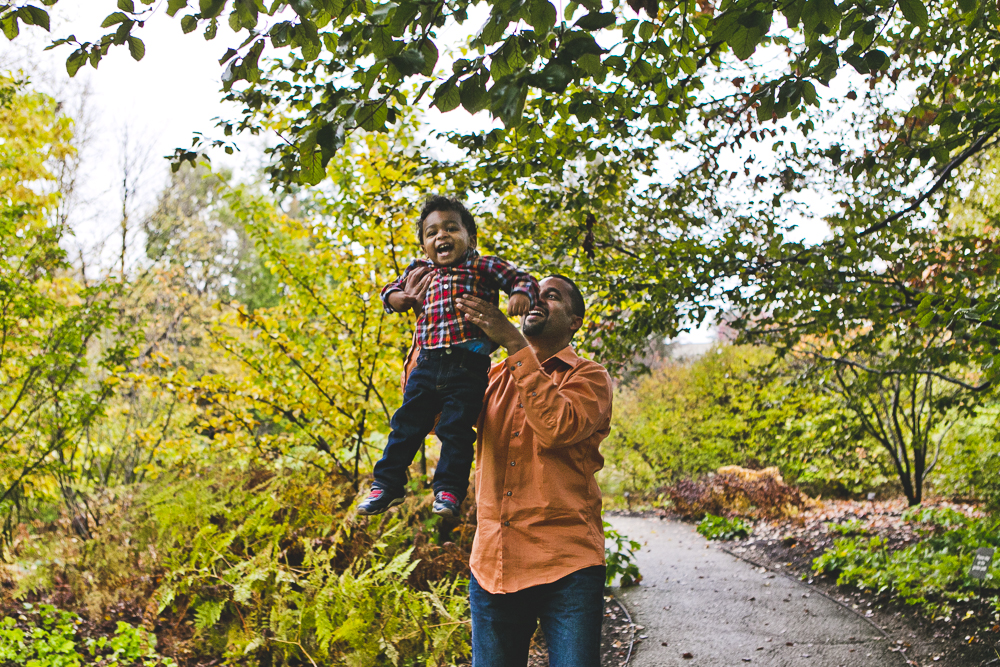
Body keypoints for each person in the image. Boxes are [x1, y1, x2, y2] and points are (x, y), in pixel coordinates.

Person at [455, 275, 614, 667]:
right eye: (533, 293)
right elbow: (437, 417)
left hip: (568, 568)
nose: (537, 299)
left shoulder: (590, 377)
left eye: (552, 295)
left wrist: (513, 342)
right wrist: (429, 334)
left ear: (575, 321)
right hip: (494, 566)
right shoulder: (491, 377)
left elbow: (558, 427)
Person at [357, 195, 539, 517]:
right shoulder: (420, 270)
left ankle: (449, 491)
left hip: (468, 365)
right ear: (425, 246)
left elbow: (521, 278)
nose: (441, 236)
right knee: (405, 424)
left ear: (471, 237)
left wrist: (521, 294)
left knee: (455, 429)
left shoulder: (483, 265)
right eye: (431, 233)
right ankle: (387, 485)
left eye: (451, 228)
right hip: (427, 363)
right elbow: (388, 290)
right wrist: (399, 298)